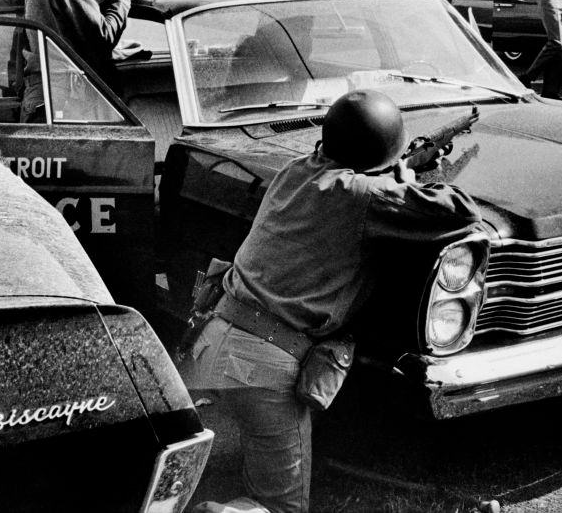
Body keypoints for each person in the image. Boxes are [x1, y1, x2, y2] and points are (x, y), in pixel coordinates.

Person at [187, 89, 484, 513]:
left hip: (211, 341)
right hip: (261, 365)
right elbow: (460, 210)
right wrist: (410, 177)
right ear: (385, 152)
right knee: (282, 509)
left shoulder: (295, 170)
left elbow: (342, 180)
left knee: (255, 450)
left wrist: (390, 170)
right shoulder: (365, 194)